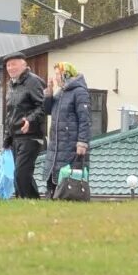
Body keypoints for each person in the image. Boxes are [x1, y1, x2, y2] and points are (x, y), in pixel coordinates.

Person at [41, 62, 91, 198]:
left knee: (68, 177)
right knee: (53, 177)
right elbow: (47, 110)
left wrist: (82, 142)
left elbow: (85, 119)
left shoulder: (79, 92)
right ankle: (52, 197)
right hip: (56, 144)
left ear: (66, 74)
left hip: (70, 144)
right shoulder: (61, 92)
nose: (56, 77)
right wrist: (49, 93)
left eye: (58, 74)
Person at [1, 51, 46, 199]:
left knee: (21, 172)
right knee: (18, 174)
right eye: (8, 65)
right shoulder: (11, 84)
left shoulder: (33, 81)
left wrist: (30, 120)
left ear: (23, 64)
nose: (10, 68)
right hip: (15, 137)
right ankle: (26, 201)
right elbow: (10, 113)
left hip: (31, 136)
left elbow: (43, 106)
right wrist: (7, 137)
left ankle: (29, 201)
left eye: (13, 64)